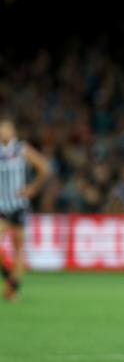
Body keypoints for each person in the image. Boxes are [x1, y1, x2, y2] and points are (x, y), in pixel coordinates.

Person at [0, 115, 50, 302]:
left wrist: (32, 189)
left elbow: (44, 167)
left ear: (12, 131)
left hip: (18, 206)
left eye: (5, 128)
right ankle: (9, 279)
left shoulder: (21, 149)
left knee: (18, 248)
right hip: (1, 206)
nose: (2, 132)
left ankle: (13, 288)